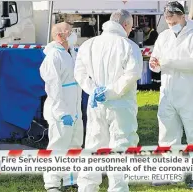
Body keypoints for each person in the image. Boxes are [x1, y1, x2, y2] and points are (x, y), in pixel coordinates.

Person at [74, 9, 143, 192]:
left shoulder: (88, 45)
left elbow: (80, 74)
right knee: (120, 146)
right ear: (126, 25)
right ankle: (118, 188)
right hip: (121, 105)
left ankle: (87, 187)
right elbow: (132, 75)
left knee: (93, 145)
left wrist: (95, 91)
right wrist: (110, 92)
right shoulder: (129, 46)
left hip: (96, 103)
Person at [149, 1, 193, 188]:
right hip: (167, 93)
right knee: (167, 135)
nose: (171, 24)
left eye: (174, 20)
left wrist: (167, 62)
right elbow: (158, 59)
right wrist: (156, 64)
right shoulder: (163, 37)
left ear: (183, 16)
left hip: (190, 94)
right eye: (168, 22)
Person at [39, 22, 83, 192]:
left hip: (74, 107)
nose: (73, 34)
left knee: (74, 144)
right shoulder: (53, 57)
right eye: (69, 32)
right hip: (61, 109)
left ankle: (70, 178)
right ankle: (51, 182)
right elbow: (53, 87)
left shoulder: (70, 53)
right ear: (59, 35)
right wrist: (61, 111)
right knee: (58, 146)